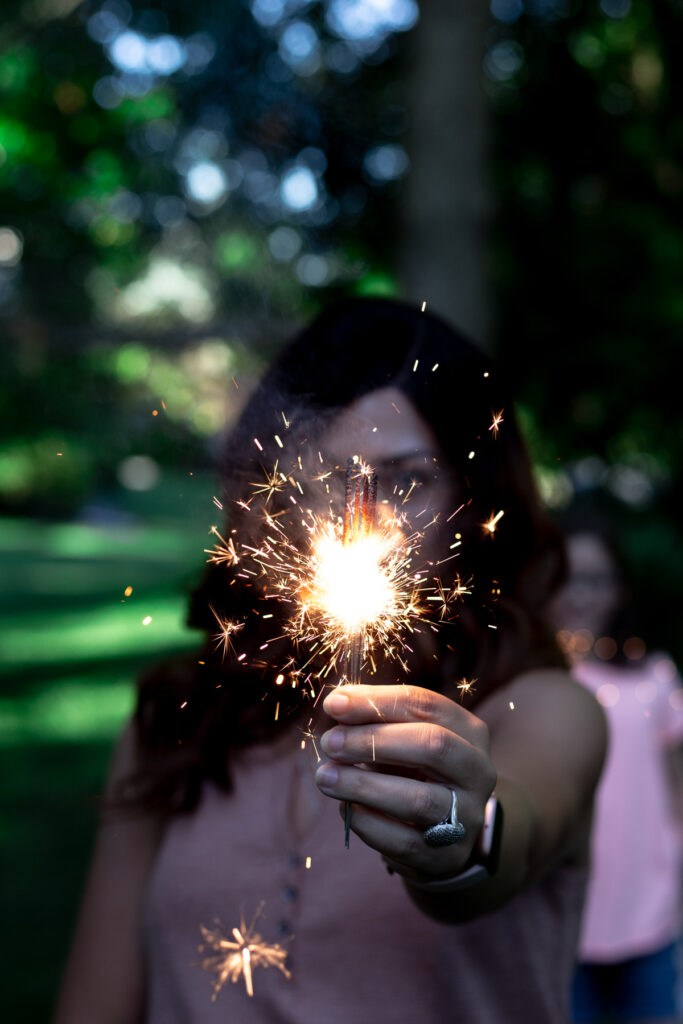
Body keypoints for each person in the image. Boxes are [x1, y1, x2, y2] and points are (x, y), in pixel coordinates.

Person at [53, 298, 606, 1024]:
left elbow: (510, 835)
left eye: (404, 482)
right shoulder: (177, 723)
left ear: (473, 502)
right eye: (330, 479)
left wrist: (460, 839)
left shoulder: (545, 711)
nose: (361, 522)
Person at [550, 511, 683, 1024]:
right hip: (568, 912)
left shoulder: (656, 677)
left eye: (597, 580)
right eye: (569, 578)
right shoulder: (539, 682)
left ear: (620, 589)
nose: (582, 595)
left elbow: (672, 784)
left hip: (648, 909)